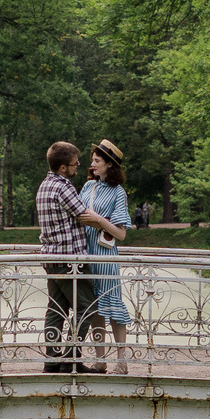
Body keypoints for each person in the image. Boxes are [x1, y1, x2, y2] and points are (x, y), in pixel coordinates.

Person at [36, 140, 111, 375]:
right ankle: (71, 358)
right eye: (74, 163)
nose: (79, 165)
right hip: (71, 261)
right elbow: (83, 214)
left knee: (56, 308)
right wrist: (107, 222)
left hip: (51, 258)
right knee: (87, 307)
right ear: (62, 168)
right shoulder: (63, 186)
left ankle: (51, 359)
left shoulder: (44, 186)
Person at [79, 139, 134, 374]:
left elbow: (121, 233)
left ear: (110, 165)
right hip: (86, 253)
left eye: (97, 160)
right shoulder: (87, 187)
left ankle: (122, 360)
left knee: (113, 306)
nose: (92, 163)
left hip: (106, 256)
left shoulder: (118, 193)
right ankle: (100, 359)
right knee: (95, 309)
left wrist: (99, 220)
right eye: (93, 159)